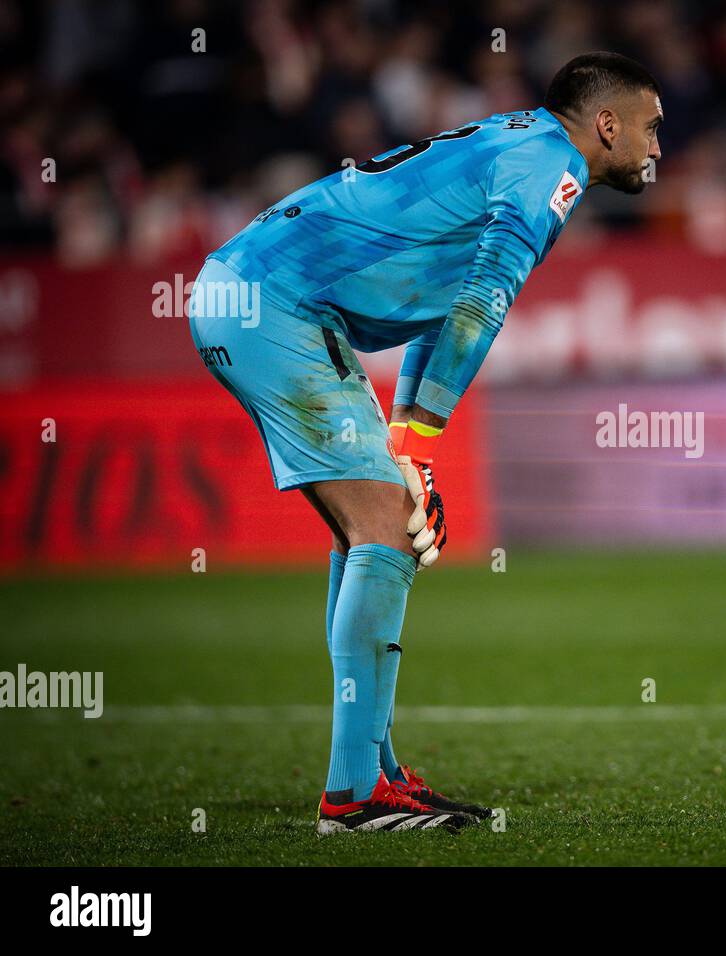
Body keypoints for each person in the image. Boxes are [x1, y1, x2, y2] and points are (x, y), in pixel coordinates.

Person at [188, 53, 663, 833]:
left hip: (262, 295)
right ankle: (353, 798)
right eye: (649, 128)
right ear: (606, 124)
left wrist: (410, 438)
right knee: (385, 526)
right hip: (272, 304)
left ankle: (371, 770)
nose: (654, 148)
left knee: (371, 529)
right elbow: (481, 305)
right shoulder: (551, 169)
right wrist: (420, 446)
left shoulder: (521, 146)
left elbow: (442, 310)